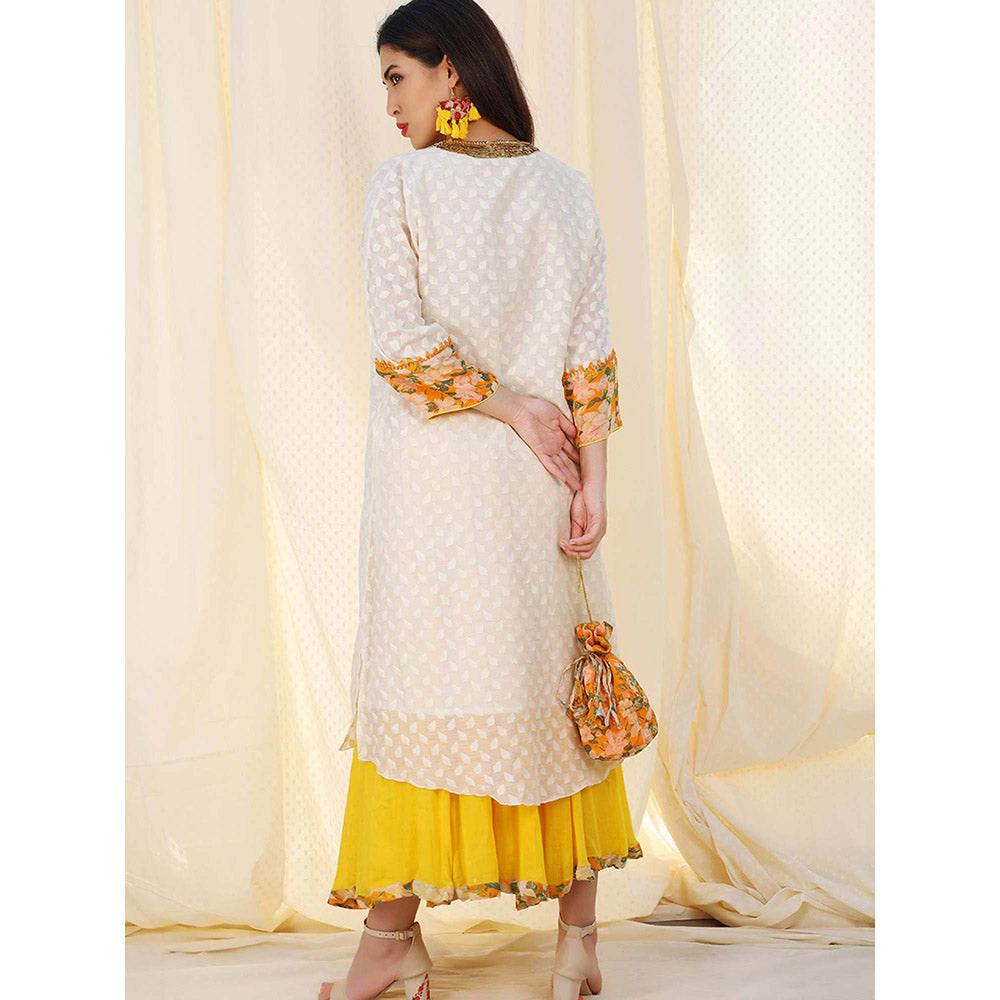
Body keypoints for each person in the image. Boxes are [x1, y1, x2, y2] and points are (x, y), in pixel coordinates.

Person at [321, 3, 642, 998]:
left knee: (421, 692)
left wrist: (504, 408)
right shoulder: (566, 189)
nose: (388, 103)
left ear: (449, 71)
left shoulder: (402, 186)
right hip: (543, 485)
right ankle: (577, 945)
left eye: (396, 76)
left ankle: (389, 945)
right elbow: (589, 355)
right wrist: (591, 485)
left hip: (435, 493)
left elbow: (403, 346)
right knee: (559, 692)